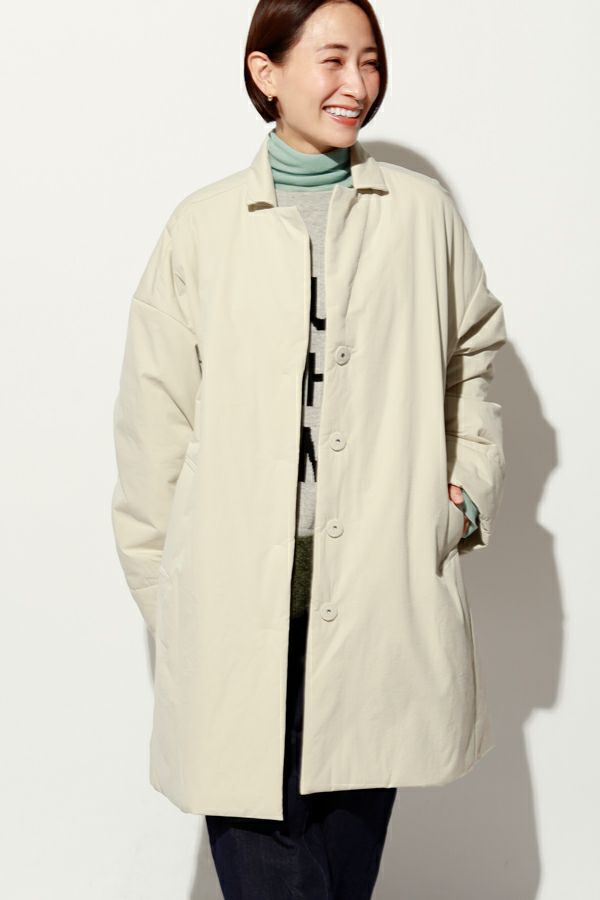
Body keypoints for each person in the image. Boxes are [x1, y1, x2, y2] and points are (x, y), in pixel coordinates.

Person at [111, 1, 507, 897]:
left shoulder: (421, 215)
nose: (356, 84)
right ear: (267, 71)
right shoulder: (203, 228)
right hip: (236, 610)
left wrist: (462, 494)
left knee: (342, 877)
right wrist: (174, 599)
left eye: (370, 61)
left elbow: (472, 360)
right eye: (332, 59)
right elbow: (152, 428)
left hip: (380, 601)